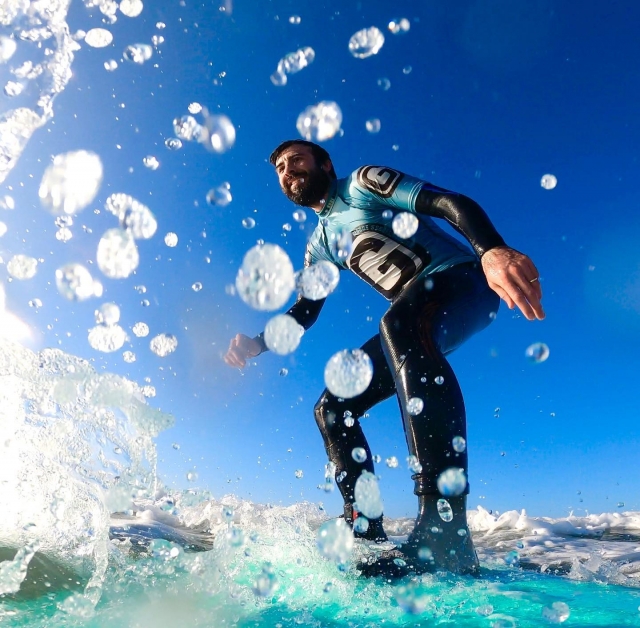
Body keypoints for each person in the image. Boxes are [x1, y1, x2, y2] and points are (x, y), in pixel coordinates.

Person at [224, 140, 544, 578]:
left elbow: (447, 202)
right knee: (333, 407)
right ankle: (367, 529)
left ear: (324, 163)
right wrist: (256, 344)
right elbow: (304, 313)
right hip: (412, 322)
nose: (287, 170)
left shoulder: (361, 184)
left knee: (398, 325)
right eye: (279, 167)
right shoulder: (319, 245)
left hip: (463, 282)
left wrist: (490, 249)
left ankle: (444, 527)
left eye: (296, 159)